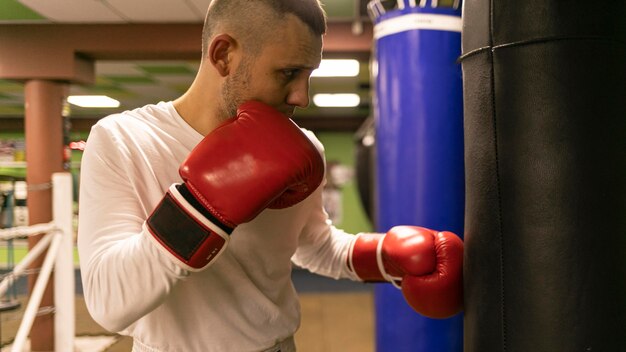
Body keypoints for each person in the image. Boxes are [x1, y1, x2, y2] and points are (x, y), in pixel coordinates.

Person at [77, 1, 464, 351]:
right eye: (289, 72)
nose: (302, 96)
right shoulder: (123, 140)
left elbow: (314, 244)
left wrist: (385, 257)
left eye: (308, 74)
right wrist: (201, 207)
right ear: (224, 55)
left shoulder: (303, 147)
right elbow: (108, 303)